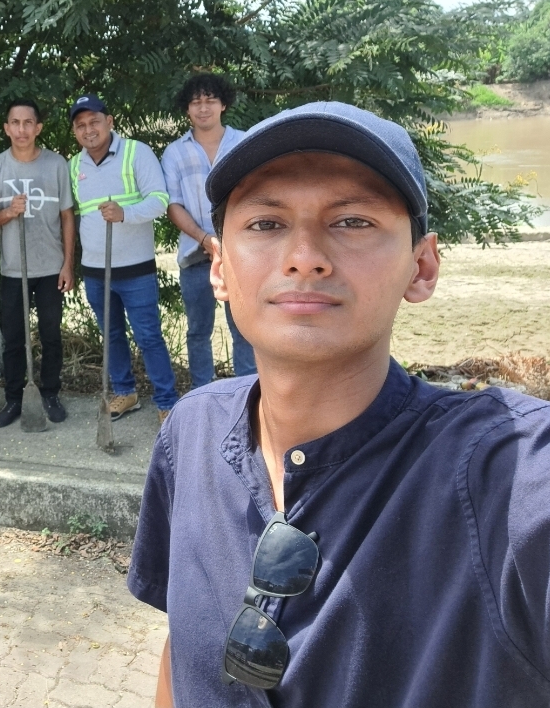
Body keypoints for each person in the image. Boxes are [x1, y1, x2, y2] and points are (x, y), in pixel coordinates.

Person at [129, 102, 550, 707]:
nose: (305, 255)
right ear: (219, 268)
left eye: (353, 221)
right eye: (266, 224)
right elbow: (182, 651)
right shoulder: (192, 430)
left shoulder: (503, 477)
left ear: (421, 266)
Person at [68, 94, 178, 423]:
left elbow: (160, 200)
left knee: (148, 336)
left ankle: (167, 401)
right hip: (95, 271)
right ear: (75, 131)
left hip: (136, 270)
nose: (89, 130)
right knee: (112, 336)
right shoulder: (74, 166)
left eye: (94, 122)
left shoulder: (135, 152)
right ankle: (125, 392)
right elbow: (76, 215)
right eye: (81, 125)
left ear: (109, 122)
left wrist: (125, 213)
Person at [161, 74, 256, 387]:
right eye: (196, 102)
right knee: (198, 331)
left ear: (223, 104)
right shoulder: (174, 152)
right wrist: (205, 239)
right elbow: (173, 204)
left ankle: (248, 394)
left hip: (241, 253)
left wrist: (228, 240)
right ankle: (201, 396)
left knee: (244, 328)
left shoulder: (244, 143)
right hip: (194, 255)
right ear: (187, 109)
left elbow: (257, 195)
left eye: (210, 100)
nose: (203, 108)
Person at [0, 100, 73, 427]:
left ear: (38, 128)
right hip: (13, 269)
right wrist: (9, 212)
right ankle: (14, 398)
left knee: (51, 335)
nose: (22, 129)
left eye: (28, 123)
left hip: (50, 267)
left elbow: (67, 216)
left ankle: (49, 393)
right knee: (14, 338)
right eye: (15, 123)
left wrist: (68, 264)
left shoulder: (57, 164)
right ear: (6, 128)